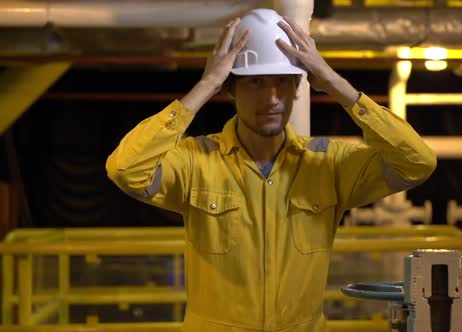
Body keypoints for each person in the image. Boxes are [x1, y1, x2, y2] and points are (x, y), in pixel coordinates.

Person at [106, 8, 436, 332]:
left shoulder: (326, 164)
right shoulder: (196, 162)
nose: (272, 97)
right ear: (230, 89)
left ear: (298, 86)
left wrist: (335, 83)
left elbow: (417, 162)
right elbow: (126, 169)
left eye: (282, 81)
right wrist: (205, 84)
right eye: (255, 83)